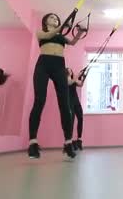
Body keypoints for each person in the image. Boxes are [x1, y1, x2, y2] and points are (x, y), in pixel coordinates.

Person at [28, 13, 86, 159]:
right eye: (51, 17)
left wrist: (80, 32)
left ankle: (67, 142)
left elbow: (72, 42)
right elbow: (47, 36)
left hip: (60, 66)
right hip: (43, 65)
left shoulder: (60, 35)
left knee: (65, 104)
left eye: (56, 18)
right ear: (45, 20)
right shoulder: (41, 32)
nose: (54, 19)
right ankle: (33, 143)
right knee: (39, 100)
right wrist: (62, 26)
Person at [66, 68, 84, 150]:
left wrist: (83, 77)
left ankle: (79, 140)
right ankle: (69, 142)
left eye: (71, 69)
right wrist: (78, 75)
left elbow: (80, 84)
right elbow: (70, 82)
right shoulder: (67, 79)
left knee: (80, 117)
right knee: (71, 121)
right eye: (68, 70)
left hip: (76, 101)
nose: (70, 70)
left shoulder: (74, 79)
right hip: (70, 102)